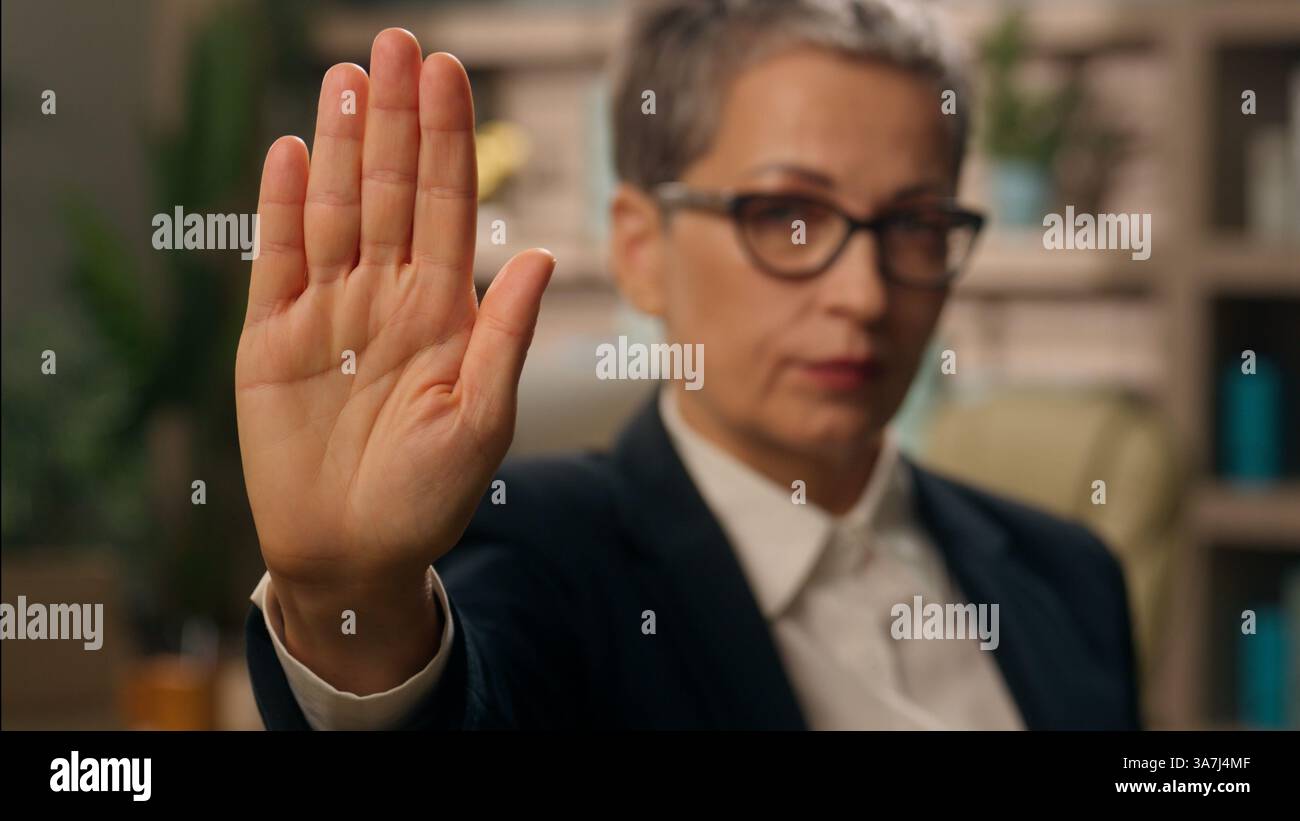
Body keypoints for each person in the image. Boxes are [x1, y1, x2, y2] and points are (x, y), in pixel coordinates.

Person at [239, 0, 1139, 730]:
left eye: (913, 224)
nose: (863, 295)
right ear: (641, 248)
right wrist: (351, 607)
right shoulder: (538, 551)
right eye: (788, 216)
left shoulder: (1068, 573)